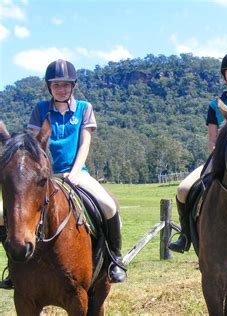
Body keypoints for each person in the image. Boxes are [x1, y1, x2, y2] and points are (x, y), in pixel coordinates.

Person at [0, 59, 127, 284]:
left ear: (73, 86)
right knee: (4, 214)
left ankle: (114, 260)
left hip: (75, 173)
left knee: (108, 206)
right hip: (43, 177)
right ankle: (13, 266)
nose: (61, 89)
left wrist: (76, 172)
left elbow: (84, 143)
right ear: (49, 87)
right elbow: (34, 144)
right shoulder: (40, 109)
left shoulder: (84, 108)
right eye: (56, 84)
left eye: (65, 84)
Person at [168, 51, 227, 253]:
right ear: (225, 77)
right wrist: (218, 155)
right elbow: (212, 139)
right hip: (221, 157)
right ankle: (185, 236)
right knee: (184, 189)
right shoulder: (215, 106)